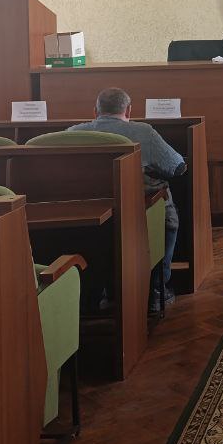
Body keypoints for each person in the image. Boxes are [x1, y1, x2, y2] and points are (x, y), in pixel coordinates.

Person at [69, 87, 186, 307]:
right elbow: (177, 166)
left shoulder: (73, 133)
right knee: (169, 216)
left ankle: (97, 292)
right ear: (129, 110)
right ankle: (156, 289)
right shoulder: (144, 132)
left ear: (95, 111)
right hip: (140, 210)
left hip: (91, 213)